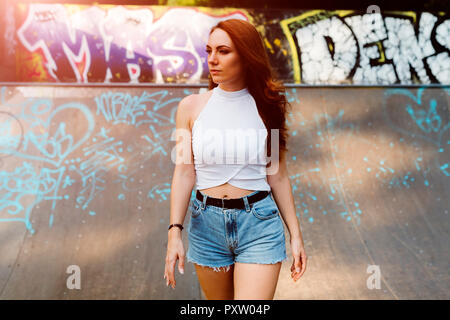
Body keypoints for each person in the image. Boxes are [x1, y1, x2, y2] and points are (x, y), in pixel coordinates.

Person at [164, 19, 307, 300]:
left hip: (259, 224)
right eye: (209, 51)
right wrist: (174, 234)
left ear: (246, 55)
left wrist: (296, 236)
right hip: (206, 226)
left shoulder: (269, 106)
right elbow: (183, 172)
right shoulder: (190, 108)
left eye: (223, 51)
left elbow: (277, 174)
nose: (212, 59)